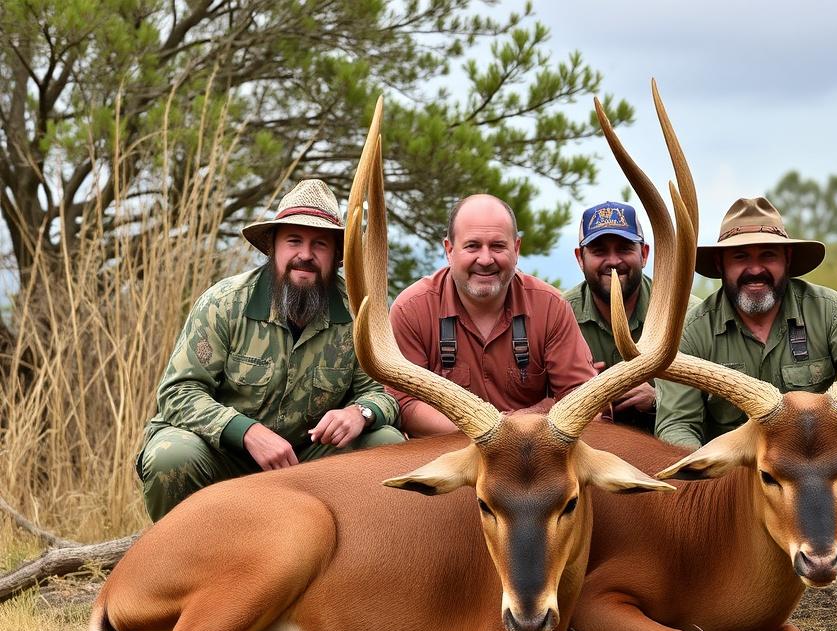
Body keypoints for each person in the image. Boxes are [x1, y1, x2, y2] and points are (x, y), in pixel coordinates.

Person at [656, 196, 837, 608]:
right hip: (745, 478)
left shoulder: (828, 309)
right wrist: (719, 471)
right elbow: (676, 426)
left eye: (768, 255)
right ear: (722, 268)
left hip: (818, 459)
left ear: (786, 261)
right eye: (739, 256)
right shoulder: (692, 330)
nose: (754, 267)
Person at [138, 179, 404, 521]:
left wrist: (361, 413)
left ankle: (354, 568)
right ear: (273, 247)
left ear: (338, 255)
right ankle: (179, 566)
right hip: (223, 457)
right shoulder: (223, 303)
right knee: (170, 455)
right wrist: (245, 432)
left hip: (306, 464)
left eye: (319, 244)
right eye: (294, 240)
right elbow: (179, 393)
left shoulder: (360, 312)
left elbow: (386, 394)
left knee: (386, 443)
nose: (305, 255)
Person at [388, 193, 597, 436]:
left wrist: (515, 428)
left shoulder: (551, 307)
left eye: (498, 246)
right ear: (449, 249)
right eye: (472, 246)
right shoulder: (412, 309)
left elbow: (582, 400)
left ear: (516, 249)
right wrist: (489, 433)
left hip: (531, 456)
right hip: (447, 458)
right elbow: (403, 403)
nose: (485, 259)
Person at [565, 200, 698, 433]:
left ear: (644, 254)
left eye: (625, 249)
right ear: (579, 258)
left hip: (660, 449)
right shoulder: (560, 316)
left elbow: (706, 403)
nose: (613, 261)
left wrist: (658, 398)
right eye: (599, 251)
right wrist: (579, 393)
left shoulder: (686, 314)